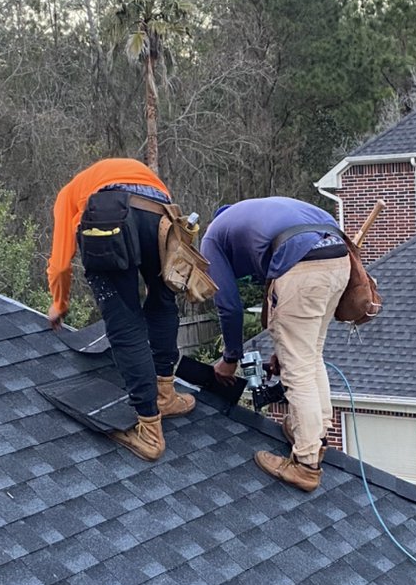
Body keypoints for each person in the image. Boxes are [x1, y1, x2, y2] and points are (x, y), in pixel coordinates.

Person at [46, 158, 194, 461]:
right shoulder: (131, 170)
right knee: (162, 299)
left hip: (107, 217)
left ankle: (150, 431)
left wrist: (59, 303)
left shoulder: (69, 193)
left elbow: (60, 264)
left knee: (125, 321)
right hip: (162, 214)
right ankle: (165, 395)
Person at [200, 196, 350, 492]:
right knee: (309, 356)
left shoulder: (213, 238)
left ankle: (306, 464)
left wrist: (230, 359)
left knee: (298, 370)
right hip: (339, 259)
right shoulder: (260, 219)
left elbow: (229, 307)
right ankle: (313, 435)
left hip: (301, 263)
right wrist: (284, 345)